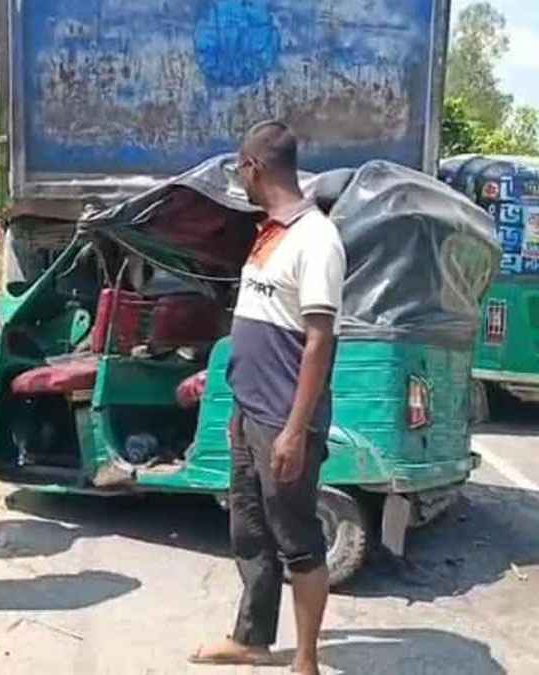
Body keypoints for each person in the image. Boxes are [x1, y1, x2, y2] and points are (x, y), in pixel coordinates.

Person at [191, 121, 346, 675]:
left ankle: (306, 660)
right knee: (249, 531)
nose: (240, 179)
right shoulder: (270, 232)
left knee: (296, 537)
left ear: (253, 166)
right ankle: (251, 637)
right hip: (249, 407)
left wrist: (294, 431)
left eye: (240, 169)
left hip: (283, 417)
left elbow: (319, 339)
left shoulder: (316, 238)